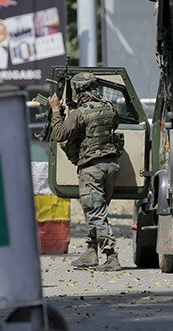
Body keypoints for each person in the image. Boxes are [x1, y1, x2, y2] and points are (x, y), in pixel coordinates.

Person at [48, 72, 122, 271]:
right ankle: (91, 253)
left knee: (95, 212)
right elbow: (111, 126)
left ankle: (111, 256)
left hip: (92, 169)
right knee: (95, 210)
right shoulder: (109, 107)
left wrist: (56, 111)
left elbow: (61, 133)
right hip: (111, 166)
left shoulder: (79, 113)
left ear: (79, 90)